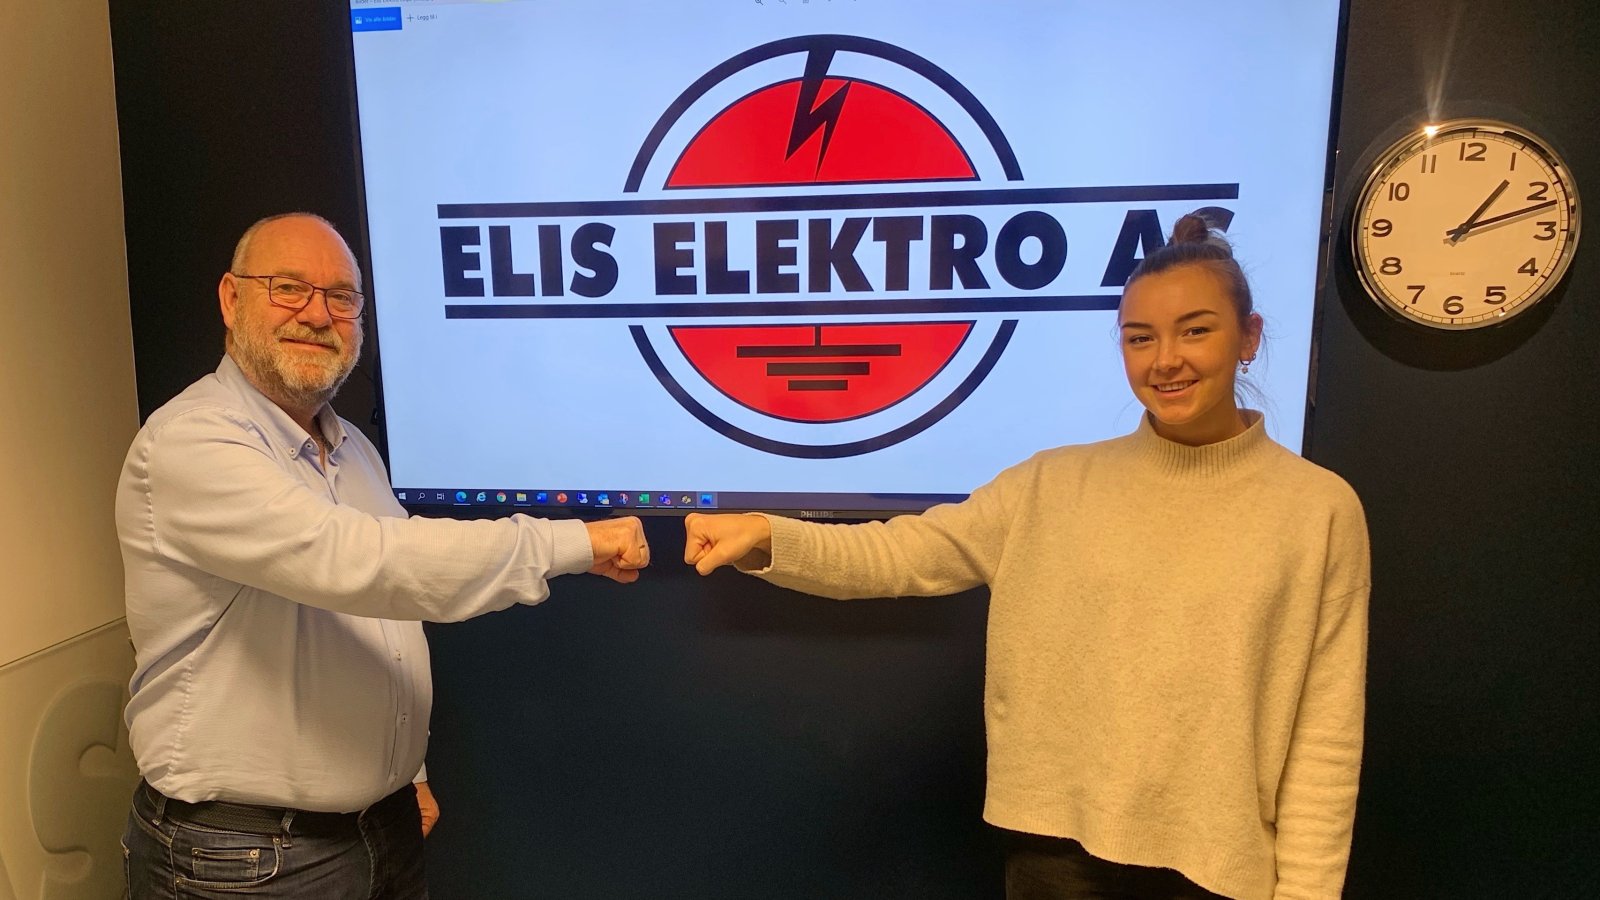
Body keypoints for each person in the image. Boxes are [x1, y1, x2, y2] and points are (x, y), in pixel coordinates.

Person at [683, 213, 1369, 900]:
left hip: (1218, 867)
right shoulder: (1051, 483)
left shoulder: (1317, 510)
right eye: (1140, 337)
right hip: (1058, 858)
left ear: (1248, 337)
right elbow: (903, 552)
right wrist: (769, 535)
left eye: (1195, 330)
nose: (1165, 360)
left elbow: (1324, 739)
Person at [116, 212, 649, 899]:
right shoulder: (192, 441)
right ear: (231, 297)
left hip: (379, 831)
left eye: (341, 297)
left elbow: (386, 611)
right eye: (288, 288)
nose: (317, 315)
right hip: (244, 858)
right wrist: (573, 541)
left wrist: (403, 772)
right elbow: (363, 562)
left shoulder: (351, 449)